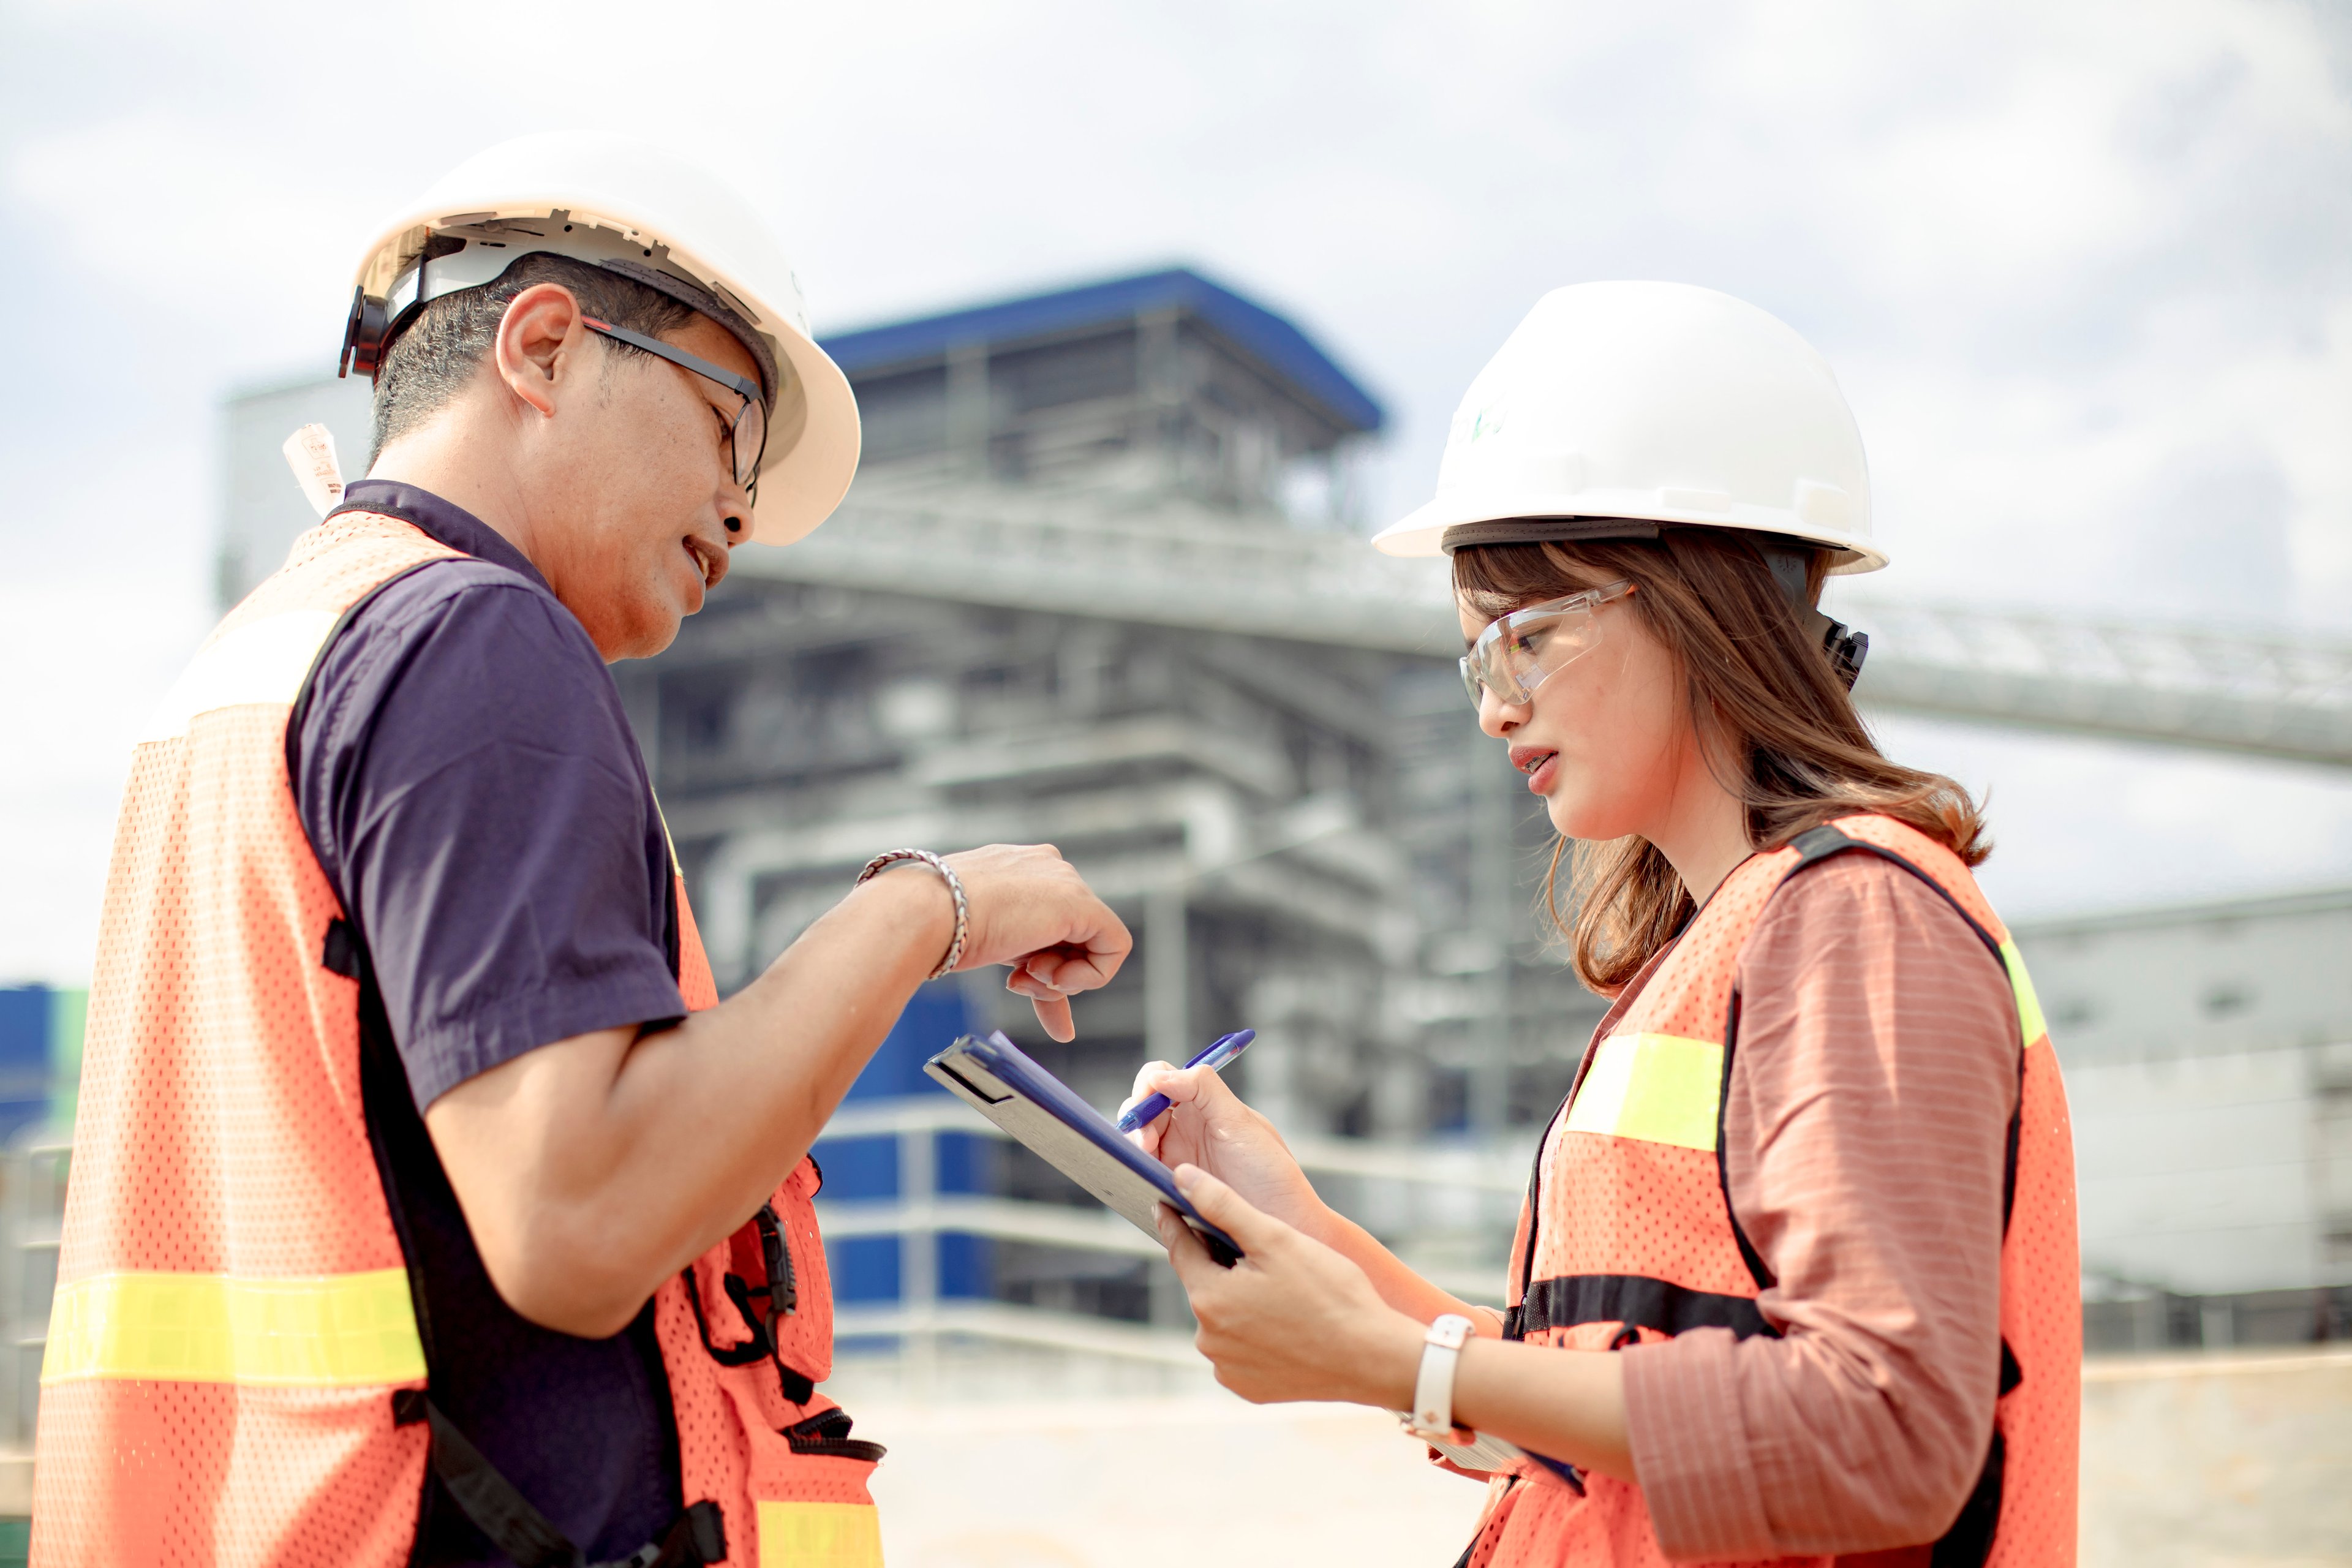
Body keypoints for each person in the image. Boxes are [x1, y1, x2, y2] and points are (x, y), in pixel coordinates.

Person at [35, 134, 1130, 1568]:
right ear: (546, 346)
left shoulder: (269, 656)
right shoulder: (476, 637)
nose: (746, 506)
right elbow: (579, 1212)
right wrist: (933, 907)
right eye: (733, 424)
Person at [1133, 283, 2079, 1566]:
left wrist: (1400, 1358)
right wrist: (1307, 1232)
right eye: (1477, 660)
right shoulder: (1717, 946)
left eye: (1525, 638)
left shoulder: (1858, 917)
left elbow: (1887, 1428)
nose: (1493, 706)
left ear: (1691, 590)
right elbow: (1581, 1403)